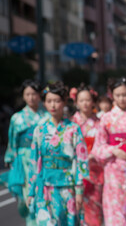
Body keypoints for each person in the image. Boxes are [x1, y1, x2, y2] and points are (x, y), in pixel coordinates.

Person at [27, 81, 89, 226]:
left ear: (64, 102)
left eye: (57, 101)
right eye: (49, 101)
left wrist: (79, 190)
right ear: (44, 103)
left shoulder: (73, 129)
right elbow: (34, 161)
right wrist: (31, 191)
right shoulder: (40, 129)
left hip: (67, 186)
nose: (53, 105)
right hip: (45, 186)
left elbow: (81, 161)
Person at [92, 77, 126, 226]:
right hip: (114, 171)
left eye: (125, 94)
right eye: (118, 95)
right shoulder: (106, 118)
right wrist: (114, 150)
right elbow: (98, 148)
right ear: (111, 95)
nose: (122, 98)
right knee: (115, 214)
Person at [3, 80, 48, 225]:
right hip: (24, 160)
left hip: (43, 160)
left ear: (40, 95)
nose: (31, 97)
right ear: (23, 96)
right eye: (27, 94)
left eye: (34, 94)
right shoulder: (17, 118)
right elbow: (12, 141)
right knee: (27, 196)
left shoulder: (47, 117)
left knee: (44, 195)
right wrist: (11, 160)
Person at [70, 84, 103, 226]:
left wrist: (93, 154)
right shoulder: (71, 123)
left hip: (95, 171)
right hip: (75, 170)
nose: (85, 103)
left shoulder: (100, 123)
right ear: (76, 102)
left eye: (88, 100)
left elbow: (103, 145)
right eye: (81, 100)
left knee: (95, 209)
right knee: (76, 210)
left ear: (93, 102)